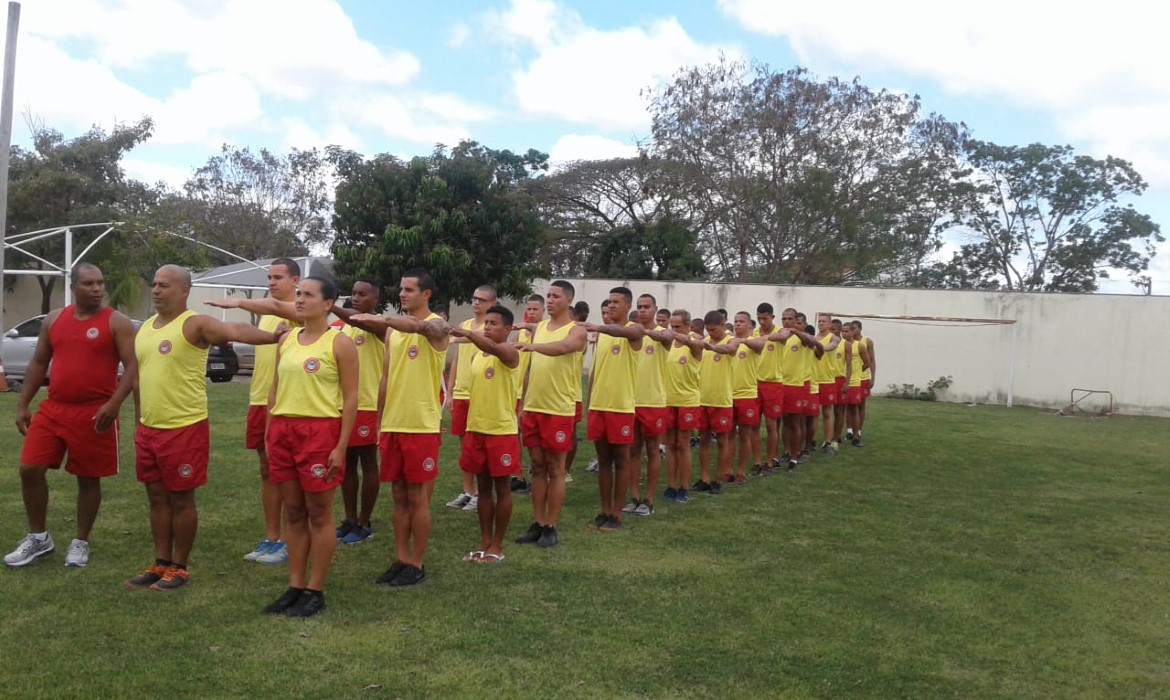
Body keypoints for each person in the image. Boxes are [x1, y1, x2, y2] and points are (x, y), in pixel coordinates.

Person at [127, 265, 284, 591]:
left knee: (182, 499)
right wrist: (139, 422)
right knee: (156, 498)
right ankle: (160, 563)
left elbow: (237, 332)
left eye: (164, 285)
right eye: (154, 284)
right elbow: (139, 380)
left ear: (184, 291)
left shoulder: (194, 324)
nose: (156, 290)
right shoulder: (144, 329)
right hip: (149, 429)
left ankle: (179, 568)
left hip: (184, 427)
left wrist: (272, 337)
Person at [5, 264, 137, 569]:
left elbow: (132, 366)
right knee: (29, 468)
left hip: (95, 411)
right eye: (89, 284)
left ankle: (80, 541)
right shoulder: (54, 320)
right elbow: (39, 362)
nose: (97, 289)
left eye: (100, 283)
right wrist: (23, 404)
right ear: (74, 287)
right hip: (54, 409)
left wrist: (115, 403)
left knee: (88, 478)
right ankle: (39, 539)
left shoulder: (116, 322)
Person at [262, 276, 358, 617]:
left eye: (308, 295)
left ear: (328, 304)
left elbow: (350, 398)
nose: (300, 300)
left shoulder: (340, 343)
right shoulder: (287, 339)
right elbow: (275, 389)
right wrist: (270, 430)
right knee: (294, 511)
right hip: (285, 430)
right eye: (298, 294)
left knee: (319, 513)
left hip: (320, 432)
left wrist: (341, 445)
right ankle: (295, 585)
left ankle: (315, 589)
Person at [350, 269, 449, 588]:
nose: (403, 294)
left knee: (417, 496)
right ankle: (401, 557)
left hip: (421, 425)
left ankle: (417, 562)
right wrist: (380, 421)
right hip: (392, 423)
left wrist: (385, 320)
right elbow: (385, 378)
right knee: (397, 494)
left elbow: (424, 327)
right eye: (401, 289)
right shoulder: (393, 332)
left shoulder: (437, 326)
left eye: (409, 289)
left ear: (426, 294)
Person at [204, 257, 300, 565]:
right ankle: (271, 538)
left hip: (285, 403)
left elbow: (277, 310)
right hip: (259, 400)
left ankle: (288, 538)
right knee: (266, 471)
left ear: (295, 281)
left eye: (278, 277)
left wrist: (239, 302)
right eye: (269, 277)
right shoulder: (268, 315)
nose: (271, 282)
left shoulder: (298, 311)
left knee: (284, 473)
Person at [514, 281, 588, 547]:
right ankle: (537, 521)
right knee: (536, 466)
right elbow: (531, 370)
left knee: (556, 468)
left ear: (568, 300)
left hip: (558, 409)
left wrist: (533, 347)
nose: (551, 300)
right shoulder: (540, 328)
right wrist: (523, 405)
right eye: (549, 295)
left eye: (556, 296)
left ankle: (551, 525)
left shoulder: (577, 331)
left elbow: (563, 348)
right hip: (534, 407)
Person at [452, 305, 521, 563]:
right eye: (486, 323)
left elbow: (494, 348)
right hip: (476, 430)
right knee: (483, 487)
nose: (488, 327)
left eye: (494, 323)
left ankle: (497, 544)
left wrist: (466, 334)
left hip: (501, 431)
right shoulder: (477, 356)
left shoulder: (509, 352)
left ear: (508, 329)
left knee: (502, 488)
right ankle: (484, 541)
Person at [583, 287, 645, 531]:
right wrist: (590, 401)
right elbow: (596, 372)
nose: (610, 306)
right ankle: (605, 510)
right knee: (603, 460)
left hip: (620, 406)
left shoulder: (634, 331)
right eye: (608, 302)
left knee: (622, 460)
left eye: (616, 302)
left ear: (628, 306)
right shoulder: (603, 335)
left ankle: (617, 513)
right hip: (599, 405)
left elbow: (628, 331)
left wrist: (600, 327)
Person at [329, 279, 386, 544]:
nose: (356, 297)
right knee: (347, 463)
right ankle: (350, 519)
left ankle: (365, 522)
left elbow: (357, 321)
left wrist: (330, 304)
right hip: (344, 404)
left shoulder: (379, 325)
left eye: (363, 294)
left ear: (375, 298)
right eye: (353, 293)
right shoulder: (345, 329)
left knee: (368, 462)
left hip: (368, 404)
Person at [444, 285, 499, 512]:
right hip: (462, 391)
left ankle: (480, 493)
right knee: (463, 445)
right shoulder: (466, 325)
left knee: (479, 445)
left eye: (481, 300)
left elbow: (478, 341)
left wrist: (459, 338)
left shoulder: (490, 328)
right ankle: (467, 491)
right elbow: (456, 361)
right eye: (474, 298)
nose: (475, 302)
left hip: (481, 394)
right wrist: (450, 391)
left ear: (492, 304)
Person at [622, 294, 673, 516]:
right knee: (632, 450)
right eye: (639, 307)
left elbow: (669, 336)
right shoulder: (630, 333)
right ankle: (633, 496)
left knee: (653, 450)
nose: (642, 311)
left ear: (655, 309)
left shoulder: (661, 334)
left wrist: (645, 331)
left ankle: (649, 499)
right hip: (630, 400)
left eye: (646, 307)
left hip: (653, 401)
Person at [662, 311, 704, 503]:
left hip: (688, 401)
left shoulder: (695, 343)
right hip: (669, 400)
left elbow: (696, 344)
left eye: (678, 326)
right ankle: (671, 485)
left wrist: (681, 336)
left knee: (683, 444)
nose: (674, 330)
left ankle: (684, 486)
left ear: (688, 326)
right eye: (672, 326)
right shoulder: (669, 344)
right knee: (671, 445)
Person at [694, 311, 735, 492]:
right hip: (703, 399)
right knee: (703, 439)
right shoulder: (703, 342)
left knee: (721, 440)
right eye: (708, 330)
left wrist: (713, 347)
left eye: (714, 330)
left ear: (723, 325)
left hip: (721, 400)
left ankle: (719, 478)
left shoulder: (731, 340)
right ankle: (704, 478)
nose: (711, 333)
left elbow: (730, 350)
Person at [509, 294, 545, 494]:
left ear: (543, 311)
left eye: (535, 309)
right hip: (515, 391)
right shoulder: (520, 334)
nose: (531, 313)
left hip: (533, 394)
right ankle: (518, 475)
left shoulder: (544, 334)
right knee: (515, 434)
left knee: (532, 439)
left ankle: (536, 476)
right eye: (528, 309)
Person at [777, 308, 818, 472]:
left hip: (797, 384)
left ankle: (796, 455)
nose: (786, 322)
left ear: (796, 320)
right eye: (784, 318)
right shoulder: (781, 337)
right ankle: (787, 451)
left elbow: (811, 341)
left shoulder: (801, 338)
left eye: (789, 319)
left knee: (796, 421)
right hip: (781, 383)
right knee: (785, 420)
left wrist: (795, 331)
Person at [730, 312, 766, 482]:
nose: (737, 324)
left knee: (745, 434)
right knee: (728, 434)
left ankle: (741, 471)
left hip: (747, 395)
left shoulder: (754, 342)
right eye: (735, 321)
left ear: (750, 326)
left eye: (741, 322)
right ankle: (727, 469)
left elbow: (759, 346)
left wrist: (742, 340)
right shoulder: (728, 341)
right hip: (727, 395)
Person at [754, 303, 785, 473]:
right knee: (754, 425)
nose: (761, 321)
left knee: (772, 425)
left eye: (765, 318)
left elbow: (784, 336)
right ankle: (758, 460)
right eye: (759, 318)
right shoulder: (753, 333)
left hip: (773, 384)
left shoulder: (780, 331)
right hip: (754, 384)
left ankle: (770, 459)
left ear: (772, 317)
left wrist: (767, 337)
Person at [563, 300, 590, 478]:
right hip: (551, 394)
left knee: (570, 433)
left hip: (571, 394)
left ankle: (566, 469)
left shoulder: (578, 335)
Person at [814, 314, 842, 455]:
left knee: (827, 412)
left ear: (830, 324)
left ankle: (828, 442)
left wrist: (821, 348)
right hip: (813, 380)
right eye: (819, 321)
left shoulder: (833, 337)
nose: (821, 323)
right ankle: (810, 441)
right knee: (812, 414)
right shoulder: (813, 338)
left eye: (824, 321)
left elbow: (832, 346)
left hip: (827, 380)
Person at [843, 322, 872, 447]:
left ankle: (856, 436)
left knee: (855, 409)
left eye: (847, 331)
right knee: (845, 409)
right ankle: (847, 432)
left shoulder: (859, 346)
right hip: (843, 381)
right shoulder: (840, 345)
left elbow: (867, 363)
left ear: (853, 332)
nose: (844, 334)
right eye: (842, 331)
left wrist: (857, 373)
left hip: (855, 382)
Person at [852, 321, 877, 443]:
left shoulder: (867, 342)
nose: (852, 331)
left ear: (860, 329)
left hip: (863, 378)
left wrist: (872, 377)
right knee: (850, 407)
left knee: (861, 405)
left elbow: (871, 360)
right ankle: (850, 431)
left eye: (854, 328)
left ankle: (859, 431)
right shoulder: (847, 342)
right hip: (850, 379)